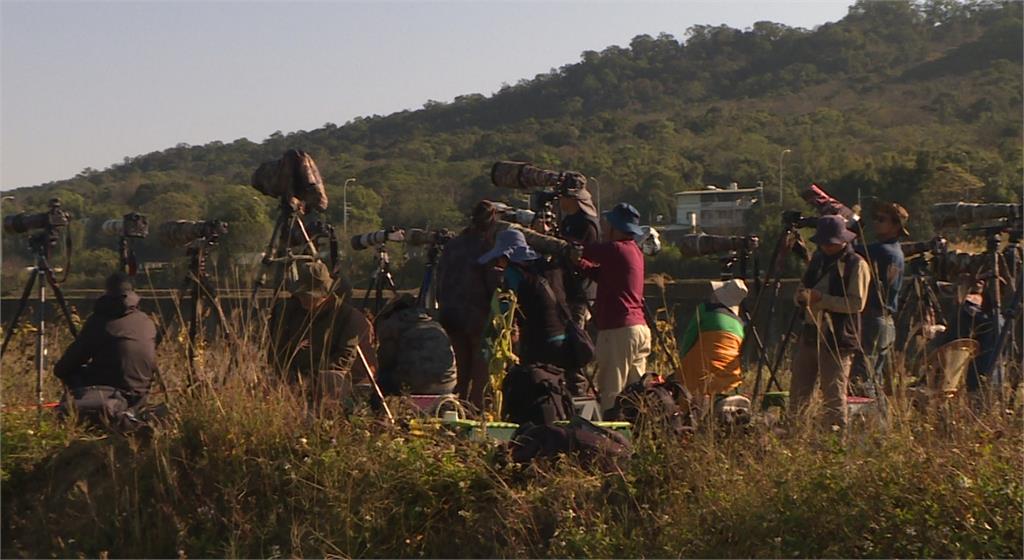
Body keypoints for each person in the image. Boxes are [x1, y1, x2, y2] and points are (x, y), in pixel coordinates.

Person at [790, 215, 870, 430]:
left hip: (838, 339)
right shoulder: (817, 260)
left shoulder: (857, 265)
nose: (827, 246)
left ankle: (835, 442)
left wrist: (821, 300)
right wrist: (801, 296)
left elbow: (856, 304)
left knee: (834, 396)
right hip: (810, 334)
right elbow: (802, 286)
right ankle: (796, 437)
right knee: (798, 392)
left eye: (831, 242)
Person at [578, 203, 652, 413]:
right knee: (634, 394)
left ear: (615, 227)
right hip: (638, 328)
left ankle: (609, 438)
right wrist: (581, 265)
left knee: (611, 392)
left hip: (618, 330)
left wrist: (563, 247)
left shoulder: (616, 248)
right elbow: (601, 276)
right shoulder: (634, 251)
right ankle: (635, 433)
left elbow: (585, 251)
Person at [54, 273, 158, 420]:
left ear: (107, 292)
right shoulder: (146, 321)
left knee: (72, 372)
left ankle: (79, 412)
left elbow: (65, 366)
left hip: (111, 390)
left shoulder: (100, 321)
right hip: (140, 392)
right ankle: (130, 415)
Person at [269, 260, 372, 404]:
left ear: (325, 294)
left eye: (309, 296)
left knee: (331, 380)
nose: (303, 299)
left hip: (326, 382)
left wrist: (312, 378)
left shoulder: (348, 317)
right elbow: (276, 349)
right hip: (291, 378)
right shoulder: (288, 311)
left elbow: (344, 358)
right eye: (301, 294)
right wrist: (289, 375)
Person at [436, 200, 501, 408]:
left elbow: (440, 279)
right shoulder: (487, 247)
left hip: (450, 313)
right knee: (480, 370)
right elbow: (492, 285)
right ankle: (476, 412)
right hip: (477, 315)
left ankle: (457, 409)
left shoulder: (453, 245)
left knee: (461, 371)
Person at [851, 201, 908, 397]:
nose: (876, 223)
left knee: (862, 377)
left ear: (895, 226)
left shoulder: (883, 251)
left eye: (881, 220)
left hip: (874, 318)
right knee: (873, 377)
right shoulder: (896, 251)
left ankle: (867, 419)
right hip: (885, 320)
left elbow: (850, 254)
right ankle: (878, 419)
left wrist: (851, 232)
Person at [679, 279, 748, 404]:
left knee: (684, 376)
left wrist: (681, 362)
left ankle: (687, 409)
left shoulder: (704, 310)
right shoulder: (739, 323)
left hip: (703, 374)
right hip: (731, 379)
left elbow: (689, 338)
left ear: (718, 297)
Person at [375, 294, 457, 396]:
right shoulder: (435, 324)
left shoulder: (392, 324)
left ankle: (380, 408)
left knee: (384, 376)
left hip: (413, 386)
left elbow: (386, 359)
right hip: (447, 386)